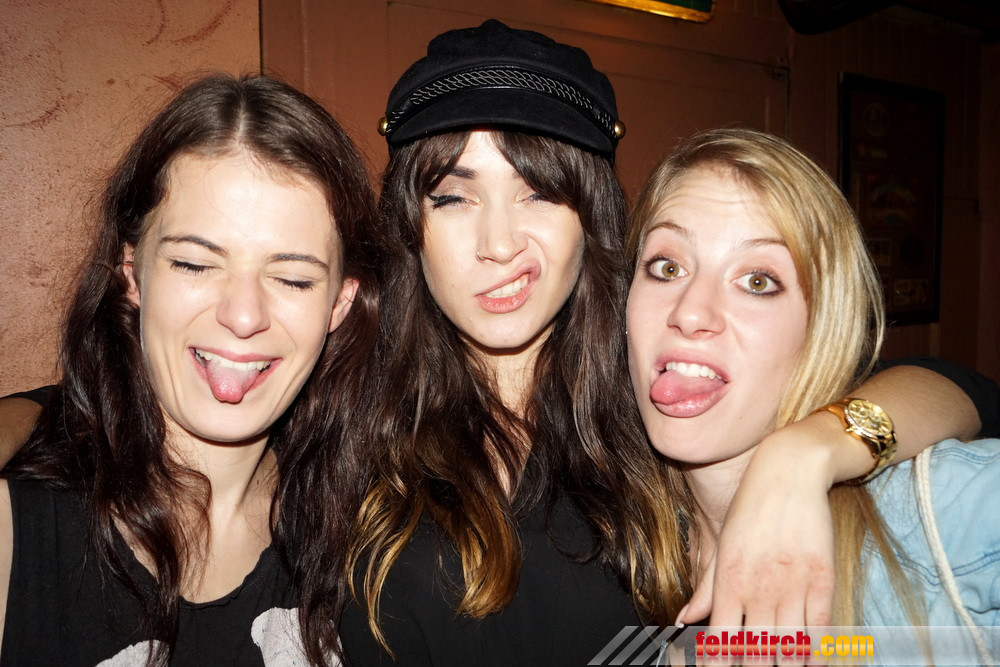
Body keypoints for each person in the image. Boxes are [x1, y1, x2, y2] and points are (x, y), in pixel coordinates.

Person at [338, 19, 997, 664]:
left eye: (539, 191)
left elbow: (966, 393)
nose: (500, 243)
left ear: (591, 218)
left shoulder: (650, 402)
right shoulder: (343, 410)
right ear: (410, 223)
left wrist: (804, 456)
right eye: (454, 197)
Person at [0, 73, 380, 665]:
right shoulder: (16, 535)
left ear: (339, 304)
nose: (244, 316)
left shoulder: (372, 536)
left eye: (292, 278)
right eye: (195, 265)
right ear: (132, 275)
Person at [625, 128, 998, 663]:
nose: (689, 312)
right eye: (667, 267)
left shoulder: (935, 514)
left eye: (757, 281)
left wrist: (802, 455)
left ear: (822, 329)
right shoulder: (607, 538)